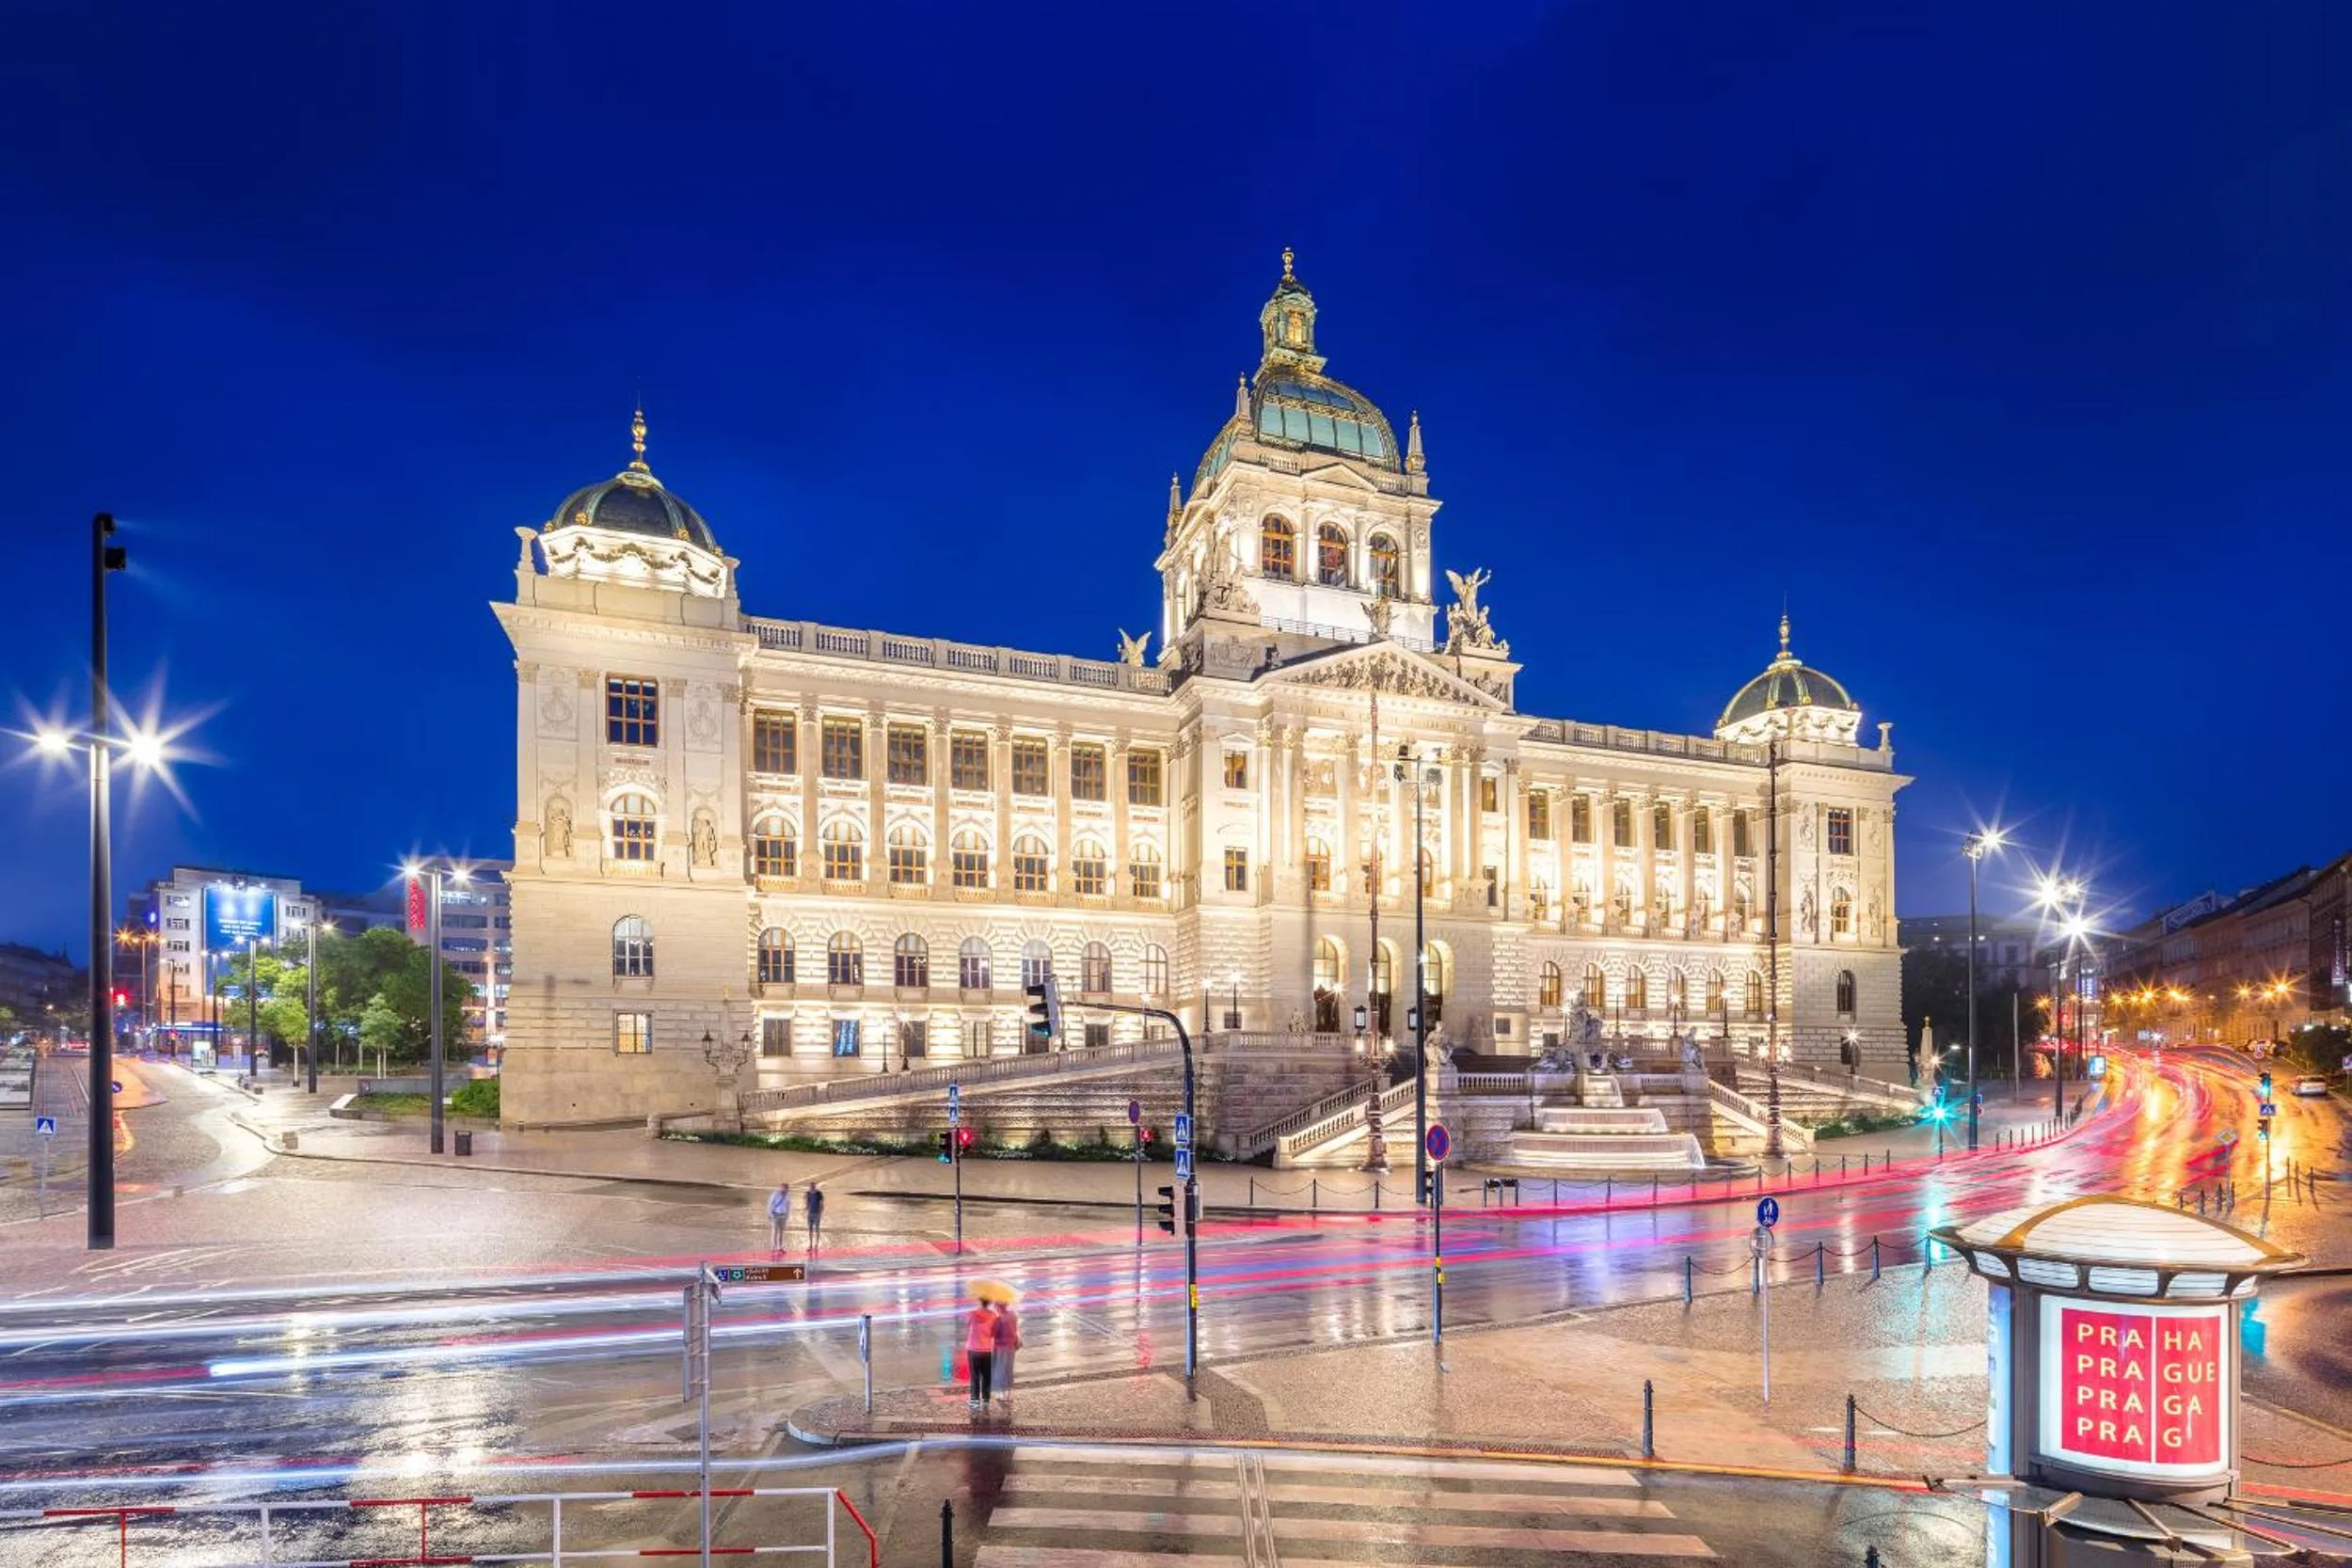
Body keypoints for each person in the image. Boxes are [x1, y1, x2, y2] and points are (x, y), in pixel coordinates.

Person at [964, 1299, 998, 1409]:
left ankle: (974, 1400)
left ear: (979, 1301)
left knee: (975, 1376)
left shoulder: (972, 1313)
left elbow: (967, 1324)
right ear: (989, 1302)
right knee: (987, 1376)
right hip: (986, 1349)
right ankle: (986, 1399)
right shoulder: (993, 1315)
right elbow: (993, 1333)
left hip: (973, 1349)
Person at [993, 1300, 1022, 1403]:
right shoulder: (1013, 1315)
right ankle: (1009, 1394)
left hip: (1001, 1348)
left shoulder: (998, 1320)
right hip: (1011, 1347)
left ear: (998, 1307)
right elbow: (1016, 1329)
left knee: (1000, 1370)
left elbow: (993, 1334)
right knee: (1009, 1370)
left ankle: (1002, 1394)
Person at [767, 1180, 792, 1255]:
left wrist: (787, 1216)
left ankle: (780, 1247)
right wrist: (770, 1214)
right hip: (775, 1215)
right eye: (785, 1188)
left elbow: (788, 1206)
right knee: (775, 1232)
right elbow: (770, 1204)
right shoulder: (775, 1194)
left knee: (781, 1232)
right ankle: (773, 1248)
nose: (786, 1190)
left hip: (783, 1216)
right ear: (782, 1188)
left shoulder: (787, 1196)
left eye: (787, 1189)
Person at [804, 1182, 825, 1252]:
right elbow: (807, 1203)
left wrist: (820, 1213)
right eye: (810, 1187)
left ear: (814, 1187)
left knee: (817, 1229)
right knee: (810, 1229)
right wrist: (806, 1211)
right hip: (810, 1214)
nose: (811, 1188)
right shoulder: (808, 1193)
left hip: (817, 1214)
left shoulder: (819, 1194)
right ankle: (810, 1245)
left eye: (812, 1187)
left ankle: (816, 1244)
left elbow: (821, 1204)